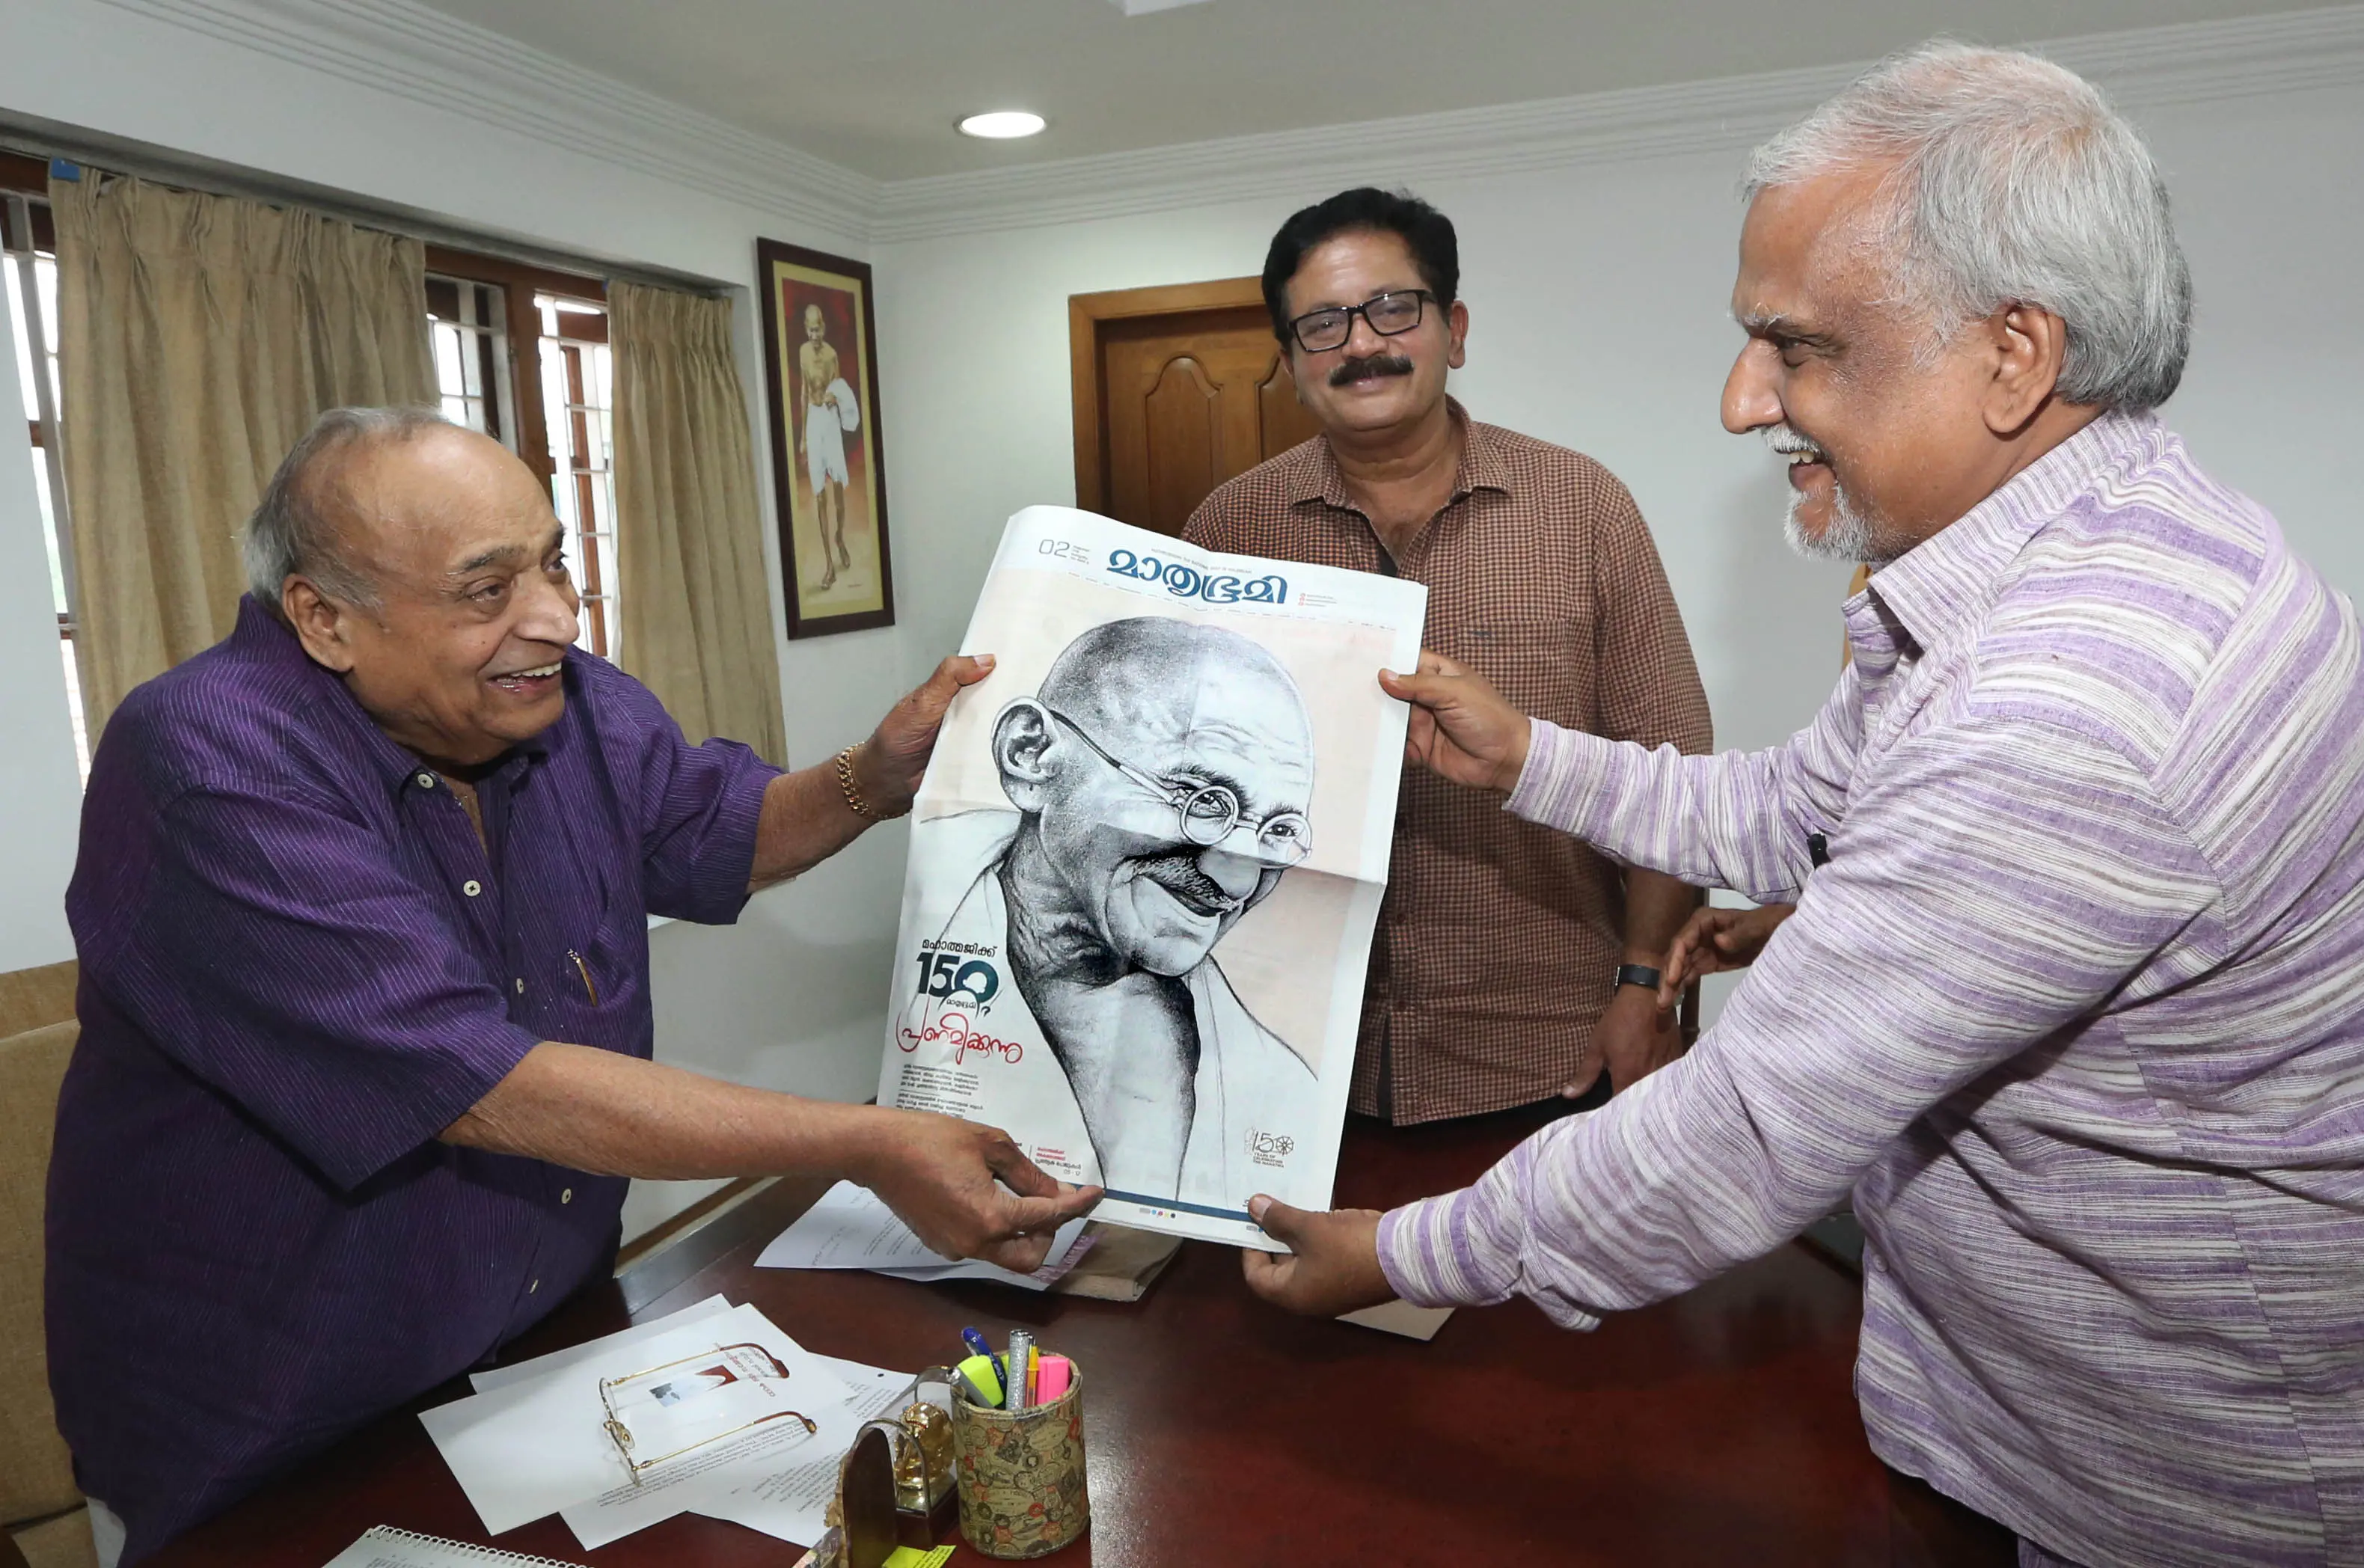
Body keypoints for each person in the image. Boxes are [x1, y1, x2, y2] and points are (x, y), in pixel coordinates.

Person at [1244, 43, 2364, 1568]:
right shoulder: (2069, 556)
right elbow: (1794, 807)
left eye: (1794, 345)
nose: (1737, 400)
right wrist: (1525, 761)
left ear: (2012, 355)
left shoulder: (2063, 701)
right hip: (2033, 1417)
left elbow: (1740, 1132)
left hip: (2175, 1482)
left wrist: (1389, 1249)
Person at [46, 408, 1100, 1564]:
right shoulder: (210, 758)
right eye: (484, 589)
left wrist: (873, 777)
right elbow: (481, 1083)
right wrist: (872, 1140)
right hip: (284, 1422)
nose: (553, 616)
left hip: (544, 1356)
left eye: (551, 560)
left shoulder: (565, 700)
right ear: (324, 618)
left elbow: (717, 829)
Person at [1183, 186, 1712, 1123]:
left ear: (1452, 328)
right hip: (1298, 1059)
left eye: (1393, 308)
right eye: (1322, 324)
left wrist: (1644, 984)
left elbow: (1674, 768)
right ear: (1289, 362)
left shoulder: (1582, 507)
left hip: (1549, 1049)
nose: (1360, 344)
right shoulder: (1230, 530)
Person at [894, 616, 1317, 1208]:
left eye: (1277, 831)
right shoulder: (927, 899)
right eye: (1200, 801)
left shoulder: (1287, 1091)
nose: (1236, 882)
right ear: (1031, 754)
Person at [795, 302, 856, 589]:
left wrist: (837, 401)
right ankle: (829, 564)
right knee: (819, 493)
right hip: (814, 419)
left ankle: (840, 536)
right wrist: (804, 436)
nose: (814, 335)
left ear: (823, 328)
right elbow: (805, 391)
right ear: (805, 330)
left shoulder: (831, 355)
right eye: (810, 330)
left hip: (830, 420)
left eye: (817, 329)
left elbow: (840, 390)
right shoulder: (803, 353)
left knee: (838, 488)